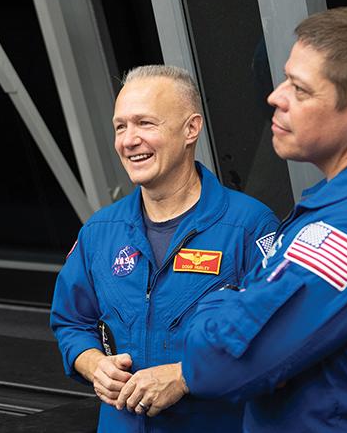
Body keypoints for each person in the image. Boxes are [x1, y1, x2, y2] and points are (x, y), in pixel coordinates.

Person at [118, 6, 347, 431]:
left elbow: (221, 357)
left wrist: (221, 298)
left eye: (300, 89)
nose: (275, 97)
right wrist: (248, 302)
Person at [50, 65, 278, 432]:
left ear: (191, 129)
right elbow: (71, 322)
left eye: (145, 123)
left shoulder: (249, 227)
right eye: (120, 126)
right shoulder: (99, 232)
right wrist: (94, 364)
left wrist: (186, 376)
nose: (128, 140)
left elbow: (277, 342)